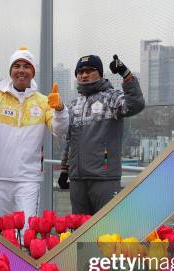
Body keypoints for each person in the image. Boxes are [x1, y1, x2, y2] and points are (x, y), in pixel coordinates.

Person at [0, 48, 69, 221]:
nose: (21, 70)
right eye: (16, 66)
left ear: (32, 72)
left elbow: (59, 129)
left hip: (28, 178)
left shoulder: (42, 102)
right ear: (11, 71)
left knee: (26, 230)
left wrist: (60, 110)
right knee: (0, 229)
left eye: (27, 66)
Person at [59, 54, 145, 215]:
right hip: (77, 180)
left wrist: (126, 74)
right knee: (80, 233)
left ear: (100, 73)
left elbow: (136, 104)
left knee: (106, 233)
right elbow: (69, 140)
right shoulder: (73, 104)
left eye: (90, 70)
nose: (84, 75)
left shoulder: (112, 98)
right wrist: (65, 170)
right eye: (80, 71)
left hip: (104, 179)